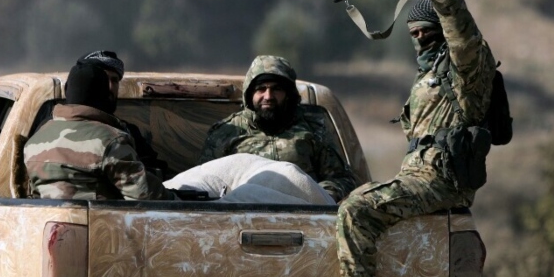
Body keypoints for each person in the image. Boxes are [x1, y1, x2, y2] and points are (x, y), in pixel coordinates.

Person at [325, 0, 497, 277]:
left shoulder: (466, 72)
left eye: (427, 33)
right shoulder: (428, 78)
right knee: (347, 201)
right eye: (414, 35)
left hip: (442, 179)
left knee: (356, 210)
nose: (420, 40)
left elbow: (463, 38)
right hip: (419, 176)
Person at [198, 55, 359, 202]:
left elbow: (342, 180)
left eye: (276, 89)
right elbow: (204, 184)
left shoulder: (314, 128)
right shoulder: (226, 132)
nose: (268, 96)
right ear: (250, 94)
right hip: (241, 217)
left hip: (303, 218)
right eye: (261, 89)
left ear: (288, 94)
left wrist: (318, 196)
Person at [24, 57, 175, 201]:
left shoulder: (34, 140)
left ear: (67, 89)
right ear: (104, 92)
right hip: (101, 226)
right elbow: (147, 197)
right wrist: (179, 200)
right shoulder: (111, 140)